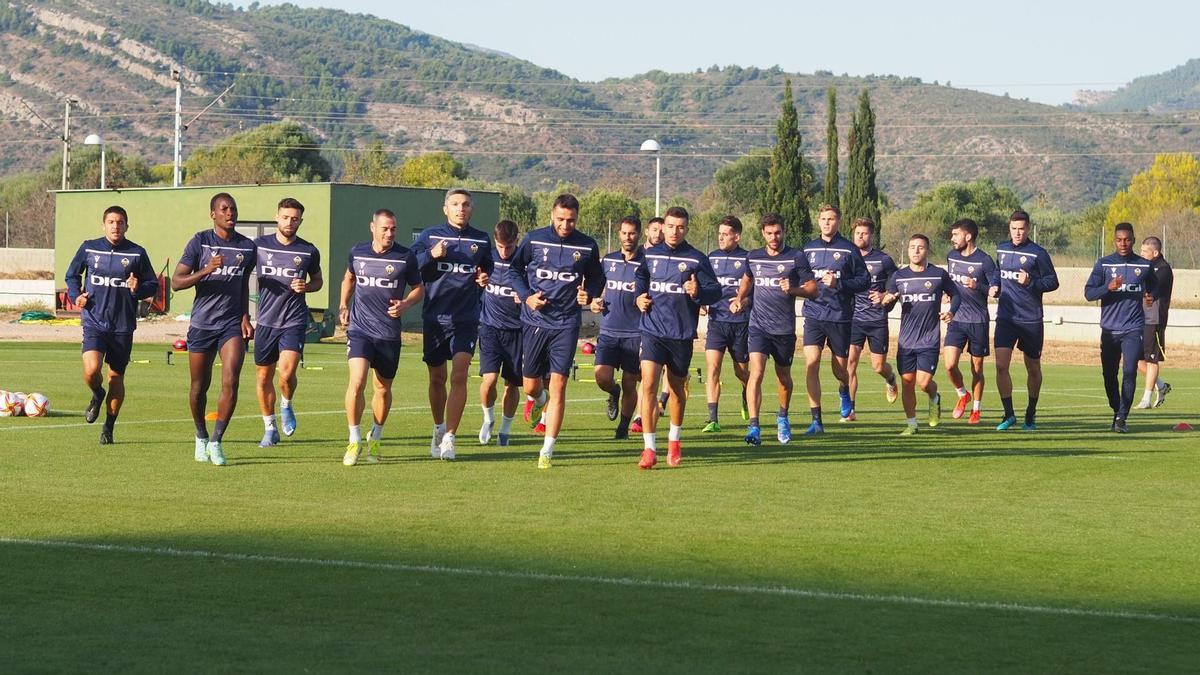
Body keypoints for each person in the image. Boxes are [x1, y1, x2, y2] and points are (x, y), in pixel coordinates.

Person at [509, 193, 604, 469]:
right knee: (530, 384)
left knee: (559, 384)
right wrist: (527, 296)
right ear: (552, 215)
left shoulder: (586, 245)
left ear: (577, 218)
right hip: (535, 321)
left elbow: (597, 276)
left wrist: (589, 293)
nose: (565, 225)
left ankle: (547, 449)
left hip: (566, 323)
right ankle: (538, 400)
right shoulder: (534, 240)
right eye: (561, 219)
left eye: (571, 220)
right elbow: (514, 271)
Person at [63, 205, 159, 445]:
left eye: (120, 222)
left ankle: (108, 426)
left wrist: (138, 288)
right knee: (91, 370)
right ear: (103, 225)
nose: (116, 226)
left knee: (116, 378)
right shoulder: (89, 248)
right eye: (111, 222)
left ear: (127, 226)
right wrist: (76, 295)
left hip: (122, 326)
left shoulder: (137, 253)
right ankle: (97, 394)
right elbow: (72, 275)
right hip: (94, 321)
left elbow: (152, 285)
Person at [172, 193, 256, 466]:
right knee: (199, 386)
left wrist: (245, 316)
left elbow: (242, 285)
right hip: (202, 324)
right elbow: (176, 282)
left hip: (231, 325)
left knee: (231, 379)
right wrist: (206, 270)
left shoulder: (247, 247)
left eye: (233, 209)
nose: (230, 213)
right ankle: (201, 435)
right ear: (213, 214)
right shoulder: (200, 241)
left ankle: (217, 441)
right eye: (224, 209)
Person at [633, 206, 721, 468]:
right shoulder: (650, 254)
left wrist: (698, 292)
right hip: (652, 330)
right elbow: (641, 277)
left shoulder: (696, 258)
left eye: (680, 227)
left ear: (687, 229)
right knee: (648, 384)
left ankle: (674, 440)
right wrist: (639, 297)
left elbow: (716, 291)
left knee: (676, 390)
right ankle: (649, 448)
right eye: (670, 226)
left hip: (680, 335)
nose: (674, 231)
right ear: (663, 227)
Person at [411, 188, 493, 460]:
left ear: (472, 209)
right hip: (435, 319)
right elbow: (410, 265)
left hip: (466, 319)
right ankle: (438, 427)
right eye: (455, 204)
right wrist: (431, 255)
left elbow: (486, 269)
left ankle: (450, 437)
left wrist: (484, 278)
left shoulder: (481, 239)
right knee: (437, 379)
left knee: (459, 376)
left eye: (466, 204)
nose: (461, 208)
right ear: (445, 209)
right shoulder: (430, 236)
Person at [339, 209, 424, 466]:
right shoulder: (358, 252)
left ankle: (375, 436)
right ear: (372, 227)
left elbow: (419, 289)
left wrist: (406, 304)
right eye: (385, 228)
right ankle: (354, 439)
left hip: (388, 333)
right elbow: (349, 278)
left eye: (393, 229)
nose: (389, 233)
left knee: (383, 389)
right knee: (357, 382)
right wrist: (343, 305)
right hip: (360, 330)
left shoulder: (405, 257)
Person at [733, 213, 817, 446]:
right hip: (758, 326)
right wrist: (740, 298)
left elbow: (813, 289)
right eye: (769, 233)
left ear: (784, 232)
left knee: (784, 379)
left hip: (783, 330)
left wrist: (794, 289)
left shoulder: (795, 257)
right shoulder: (753, 257)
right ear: (762, 233)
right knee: (756, 373)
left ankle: (782, 417)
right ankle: (754, 427)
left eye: (777, 232)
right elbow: (747, 279)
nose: (773, 237)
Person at [252, 198, 323, 447]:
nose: (289, 222)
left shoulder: (308, 250)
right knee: (263, 377)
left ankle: (286, 404)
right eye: (285, 217)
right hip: (266, 321)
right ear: (277, 217)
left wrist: (307, 286)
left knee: (286, 373)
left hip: (293, 320)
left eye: (294, 219)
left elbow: (318, 281)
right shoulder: (259, 246)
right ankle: (269, 428)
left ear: (300, 221)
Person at [880, 234, 960, 434]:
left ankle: (934, 397)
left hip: (929, 340)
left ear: (927, 251)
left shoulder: (938, 275)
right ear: (907, 250)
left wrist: (951, 311)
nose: (916, 251)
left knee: (923, 383)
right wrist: (887, 301)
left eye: (920, 247)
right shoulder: (899, 276)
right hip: (906, 341)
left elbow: (956, 294)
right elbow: (887, 305)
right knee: (907, 383)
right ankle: (912, 425)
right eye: (912, 247)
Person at [801, 204, 870, 433]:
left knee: (840, 370)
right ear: (818, 221)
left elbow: (864, 281)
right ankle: (816, 421)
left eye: (831, 219)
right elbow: (799, 277)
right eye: (823, 219)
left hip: (839, 316)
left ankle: (844, 390)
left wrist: (839, 283)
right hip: (813, 314)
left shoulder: (849, 249)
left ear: (838, 221)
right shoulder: (808, 249)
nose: (826, 223)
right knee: (811, 364)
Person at [1084, 223, 1157, 432]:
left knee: (1130, 371)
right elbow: (1089, 293)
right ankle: (1117, 409)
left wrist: (1151, 296)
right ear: (1114, 241)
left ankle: (1122, 417)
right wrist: (1108, 288)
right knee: (1109, 375)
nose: (1123, 243)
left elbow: (1154, 286)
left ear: (1133, 240)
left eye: (1127, 239)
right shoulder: (1104, 264)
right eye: (1119, 240)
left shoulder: (1144, 265)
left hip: (1133, 328)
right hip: (1109, 330)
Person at [991, 209, 1059, 431]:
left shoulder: (1038, 253)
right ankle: (1009, 414)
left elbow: (1052, 282)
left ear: (1028, 229)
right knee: (1001, 365)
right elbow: (997, 272)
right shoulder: (1002, 248)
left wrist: (1031, 282)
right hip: (1006, 318)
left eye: (1021, 229)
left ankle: (1031, 412)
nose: (1017, 233)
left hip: (1030, 319)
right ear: (1009, 228)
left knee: (1033, 368)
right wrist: (995, 285)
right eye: (1014, 229)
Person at [591, 216, 644, 440]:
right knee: (602, 377)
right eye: (624, 233)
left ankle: (623, 428)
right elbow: (596, 289)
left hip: (635, 332)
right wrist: (594, 302)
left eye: (632, 233)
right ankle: (613, 391)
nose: (627, 237)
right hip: (609, 330)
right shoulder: (609, 260)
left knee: (630, 383)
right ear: (619, 234)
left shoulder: (646, 263)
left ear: (638, 234)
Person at [943, 218, 996, 425]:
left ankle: (976, 409)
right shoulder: (952, 256)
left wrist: (977, 286)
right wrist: (946, 293)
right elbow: (949, 282)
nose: (952, 238)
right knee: (950, 365)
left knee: (977, 369)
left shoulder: (985, 260)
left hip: (978, 322)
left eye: (956, 235)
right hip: (956, 319)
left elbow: (995, 290)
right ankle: (962, 394)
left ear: (968, 236)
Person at [845, 217, 898, 421]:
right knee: (850, 364)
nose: (860, 236)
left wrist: (885, 295)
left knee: (878, 367)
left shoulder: (883, 260)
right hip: (854, 319)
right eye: (857, 233)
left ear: (872, 235)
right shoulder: (848, 258)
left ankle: (890, 378)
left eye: (864, 233)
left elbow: (898, 283)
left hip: (876, 320)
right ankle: (850, 410)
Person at [701, 215, 751, 433]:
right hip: (716, 322)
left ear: (736, 237)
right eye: (719, 233)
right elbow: (703, 286)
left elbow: (756, 293)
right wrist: (701, 301)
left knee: (742, 373)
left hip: (740, 324)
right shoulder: (711, 258)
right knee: (712, 369)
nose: (720, 237)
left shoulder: (748, 259)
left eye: (725, 234)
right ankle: (713, 419)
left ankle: (746, 393)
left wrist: (743, 302)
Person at [478, 219, 524, 447]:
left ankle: (505, 430)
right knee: (489, 380)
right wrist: (478, 281)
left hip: (517, 331)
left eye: (509, 247)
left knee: (511, 384)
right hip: (489, 327)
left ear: (517, 240)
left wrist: (525, 296)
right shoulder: (487, 258)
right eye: (500, 246)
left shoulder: (526, 261)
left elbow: (538, 291)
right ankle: (488, 419)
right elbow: (472, 279)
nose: (504, 252)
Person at [1136, 236, 1173, 409]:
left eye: (1145, 251)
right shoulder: (1144, 267)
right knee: (1134, 359)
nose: (1141, 254)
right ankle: (1161, 385)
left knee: (1152, 359)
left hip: (1154, 319)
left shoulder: (1163, 269)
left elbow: (1150, 289)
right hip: (1139, 318)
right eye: (1141, 250)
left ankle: (1146, 399)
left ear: (1155, 252)